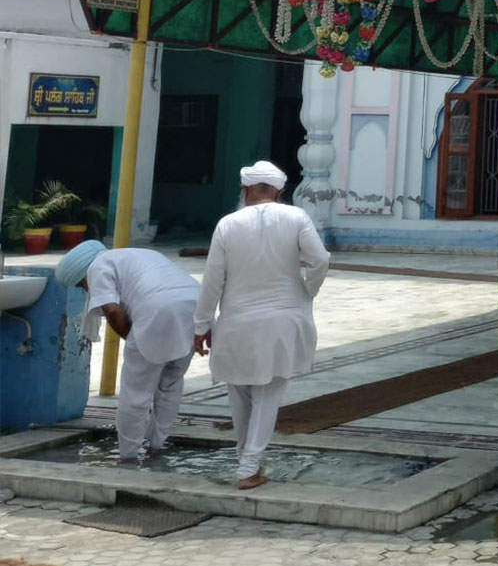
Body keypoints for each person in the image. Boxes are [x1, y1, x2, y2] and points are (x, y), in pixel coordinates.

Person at [195, 160, 329, 491]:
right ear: (280, 192)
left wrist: (201, 325)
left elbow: (212, 281)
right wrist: (305, 291)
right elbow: (320, 260)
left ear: (246, 190)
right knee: (267, 396)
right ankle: (248, 467)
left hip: (235, 322)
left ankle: (247, 463)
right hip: (282, 322)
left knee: (240, 395)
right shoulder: (296, 217)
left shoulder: (227, 224)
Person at [55, 237, 200, 466]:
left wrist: (133, 339)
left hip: (157, 311)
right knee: (171, 383)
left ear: (82, 275)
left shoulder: (97, 266)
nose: (85, 289)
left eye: (80, 285)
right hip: (195, 306)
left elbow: (113, 311)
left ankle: (128, 457)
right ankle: (156, 448)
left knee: (136, 392)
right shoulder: (138, 255)